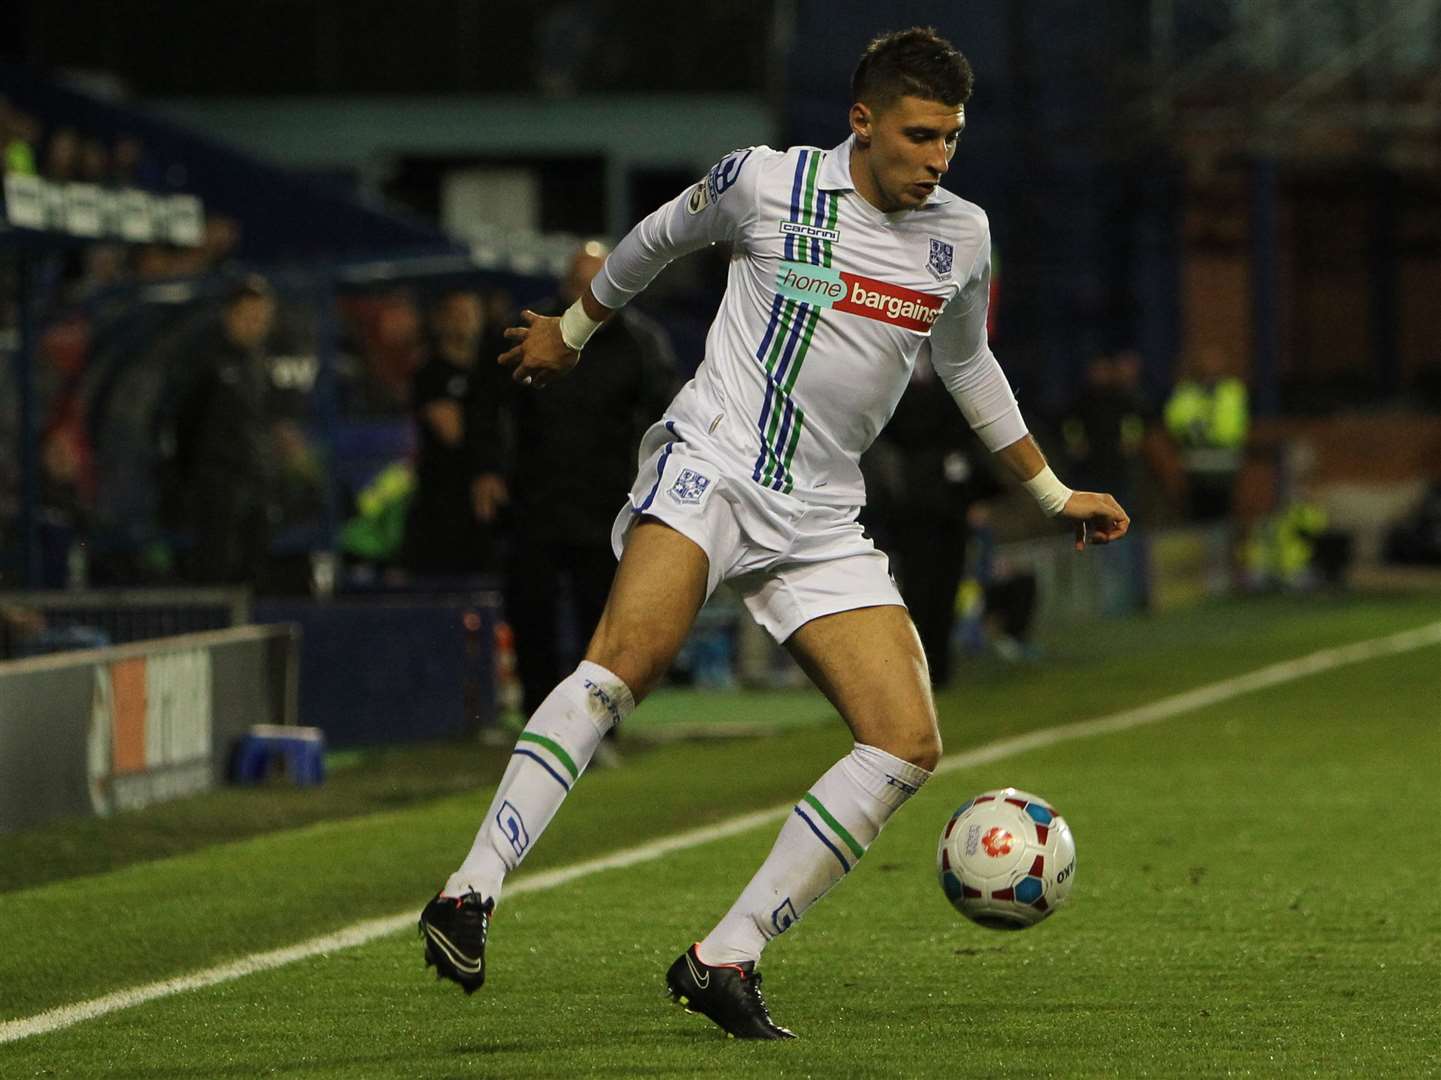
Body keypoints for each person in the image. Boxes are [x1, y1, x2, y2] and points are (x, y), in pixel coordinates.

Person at [418, 27, 1129, 1040]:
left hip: (822, 514)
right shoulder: (764, 184)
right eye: (920, 135)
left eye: (952, 140)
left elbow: (969, 366)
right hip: (715, 463)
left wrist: (1055, 494)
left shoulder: (960, 238)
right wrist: (572, 332)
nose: (936, 158)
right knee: (627, 663)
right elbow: (657, 240)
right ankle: (469, 891)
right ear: (863, 121)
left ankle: (725, 955)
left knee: (905, 742)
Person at [482, 241, 680, 717]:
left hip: (609, 504)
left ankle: (601, 723)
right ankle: (536, 717)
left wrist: (656, 488)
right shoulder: (532, 328)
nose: (585, 293)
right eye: (577, 283)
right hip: (536, 498)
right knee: (532, 615)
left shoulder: (641, 343)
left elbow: (667, 419)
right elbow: (493, 405)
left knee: (606, 620)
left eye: (594, 283)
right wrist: (489, 470)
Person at [157, 275, 278, 586]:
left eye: (262, 318)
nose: (256, 325)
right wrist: (191, 476)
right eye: (249, 316)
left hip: (252, 482)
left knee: (252, 568)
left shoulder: (258, 363)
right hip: (215, 484)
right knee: (214, 566)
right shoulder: (203, 358)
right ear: (231, 315)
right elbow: (183, 420)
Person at [403, 289, 505, 575]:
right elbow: (453, 432)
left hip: (485, 501)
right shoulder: (431, 373)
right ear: (441, 321)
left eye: (471, 313)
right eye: (457, 314)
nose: (465, 321)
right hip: (443, 501)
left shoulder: (491, 372)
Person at [1163, 345, 1249, 522]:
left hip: (1225, 467)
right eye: (1206, 361)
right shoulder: (1186, 391)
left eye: (1215, 361)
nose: (1211, 366)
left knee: (1224, 519)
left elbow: (1232, 428)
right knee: (1196, 520)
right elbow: (1175, 421)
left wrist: (1201, 429)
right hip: (1195, 469)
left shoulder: (1232, 390)